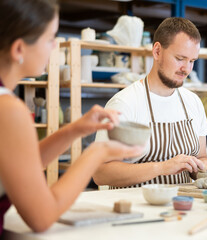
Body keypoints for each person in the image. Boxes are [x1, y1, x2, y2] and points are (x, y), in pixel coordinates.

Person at [0, 0, 144, 234]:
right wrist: (97, 153)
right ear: (19, 49)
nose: (54, 46)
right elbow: (42, 217)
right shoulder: (8, 110)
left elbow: (21, 163)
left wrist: (75, 129)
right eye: (50, 39)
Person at [94, 17, 207, 188]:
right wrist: (162, 167)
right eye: (180, 58)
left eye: (192, 61)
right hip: (137, 208)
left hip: (181, 206)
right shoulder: (125, 103)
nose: (186, 69)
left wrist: (205, 167)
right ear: (157, 51)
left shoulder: (193, 102)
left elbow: (200, 156)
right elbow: (101, 173)